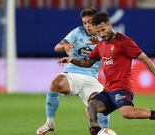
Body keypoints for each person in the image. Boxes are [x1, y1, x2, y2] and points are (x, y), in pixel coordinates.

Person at [58, 12, 155, 135]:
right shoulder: (101, 45)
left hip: (122, 88)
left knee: (127, 113)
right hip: (108, 90)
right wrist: (71, 59)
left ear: (109, 25)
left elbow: (145, 58)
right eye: (97, 32)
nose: (100, 34)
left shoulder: (123, 42)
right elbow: (87, 62)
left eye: (102, 30)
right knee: (90, 107)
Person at [36, 7, 110, 135]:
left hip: (91, 77)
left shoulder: (103, 35)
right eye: (84, 22)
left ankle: (105, 130)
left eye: (90, 22)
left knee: (99, 105)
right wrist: (65, 45)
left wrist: (100, 43)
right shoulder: (77, 32)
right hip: (72, 73)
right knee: (56, 83)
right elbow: (57, 47)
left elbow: (110, 52)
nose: (87, 25)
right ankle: (50, 122)